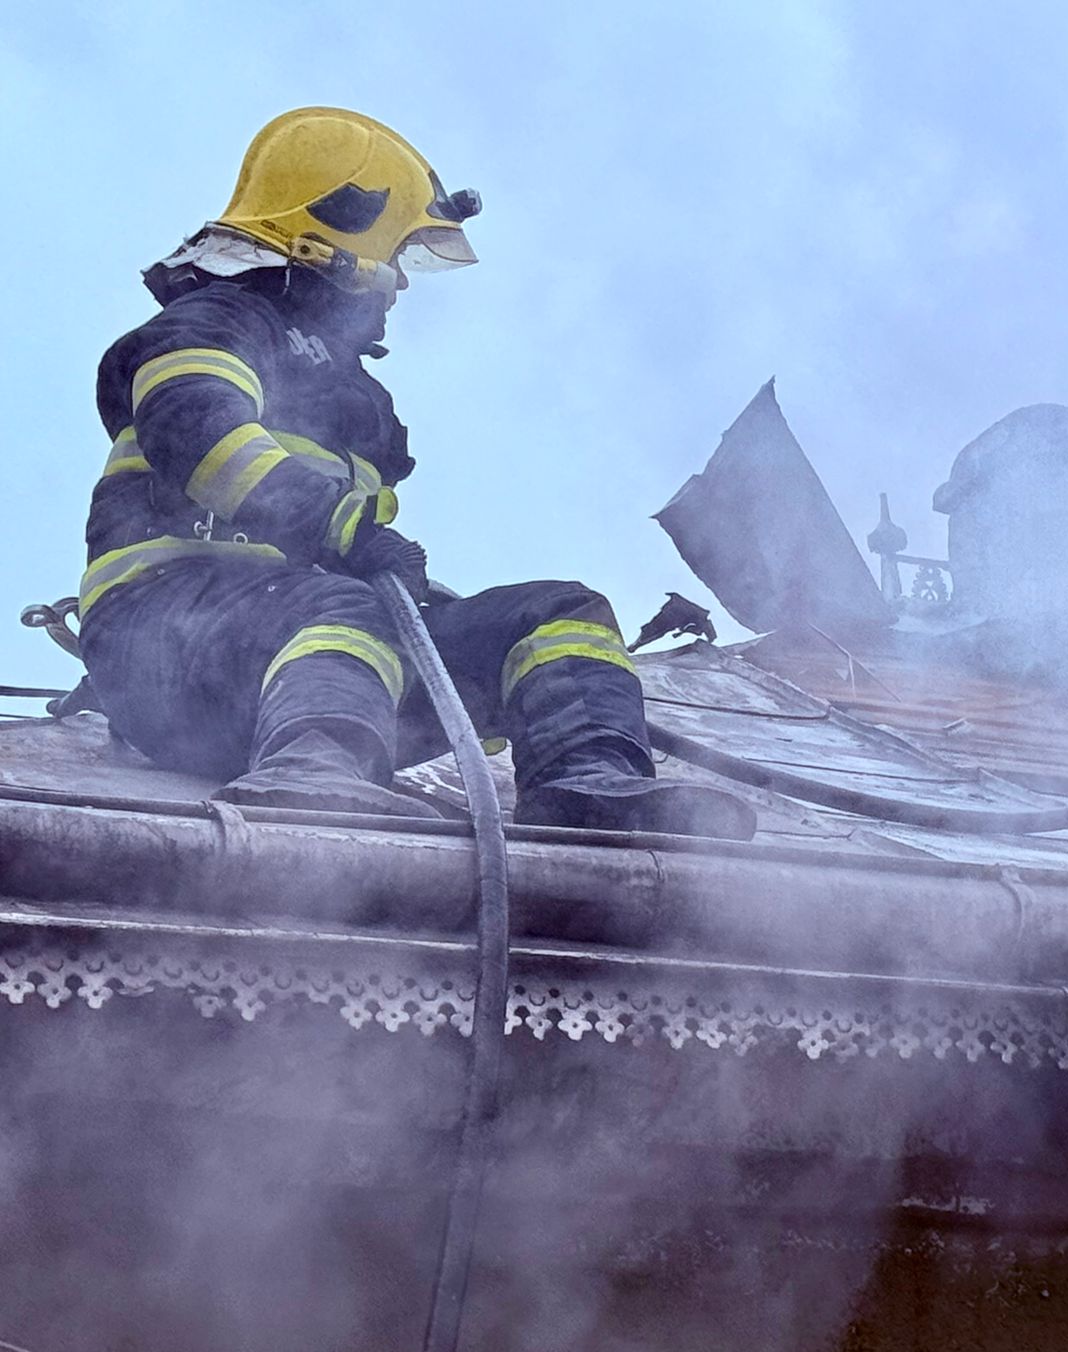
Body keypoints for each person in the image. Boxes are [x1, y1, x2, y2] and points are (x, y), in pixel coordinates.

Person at [77, 107, 751, 838]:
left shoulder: (348, 394)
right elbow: (195, 429)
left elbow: (329, 566)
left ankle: (587, 785)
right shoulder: (219, 323)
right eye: (396, 257)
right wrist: (344, 530)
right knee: (348, 609)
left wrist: (390, 576)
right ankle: (312, 778)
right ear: (340, 236)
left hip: (293, 654)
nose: (398, 285)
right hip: (161, 641)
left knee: (558, 612)